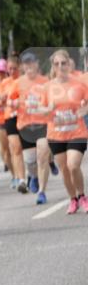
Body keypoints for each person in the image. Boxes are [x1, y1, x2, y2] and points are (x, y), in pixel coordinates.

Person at [42, 49, 88, 213]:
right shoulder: (47, 87)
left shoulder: (79, 83)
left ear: (68, 64)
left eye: (63, 63)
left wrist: (85, 109)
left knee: (73, 165)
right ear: (53, 67)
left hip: (77, 132)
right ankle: (73, 199)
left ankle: (82, 196)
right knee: (65, 170)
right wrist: (48, 108)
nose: (60, 66)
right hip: (56, 135)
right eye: (57, 64)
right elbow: (40, 109)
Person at [11, 52, 52, 204]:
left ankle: (42, 191)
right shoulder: (18, 83)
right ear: (22, 66)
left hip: (42, 124)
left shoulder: (45, 81)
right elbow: (10, 100)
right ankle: (33, 176)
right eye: (26, 64)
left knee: (42, 156)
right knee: (30, 161)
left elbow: (52, 100)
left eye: (31, 63)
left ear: (37, 64)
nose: (29, 66)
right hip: (25, 125)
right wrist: (13, 104)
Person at [0, 55, 26, 190]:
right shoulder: (4, 83)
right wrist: (2, 100)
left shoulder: (25, 80)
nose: (12, 71)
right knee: (15, 148)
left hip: (25, 117)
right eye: (10, 69)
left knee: (30, 150)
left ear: (19, 68)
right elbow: (0, 102)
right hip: (10, 117)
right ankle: (21, 179)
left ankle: (33, 174)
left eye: (15, 68)